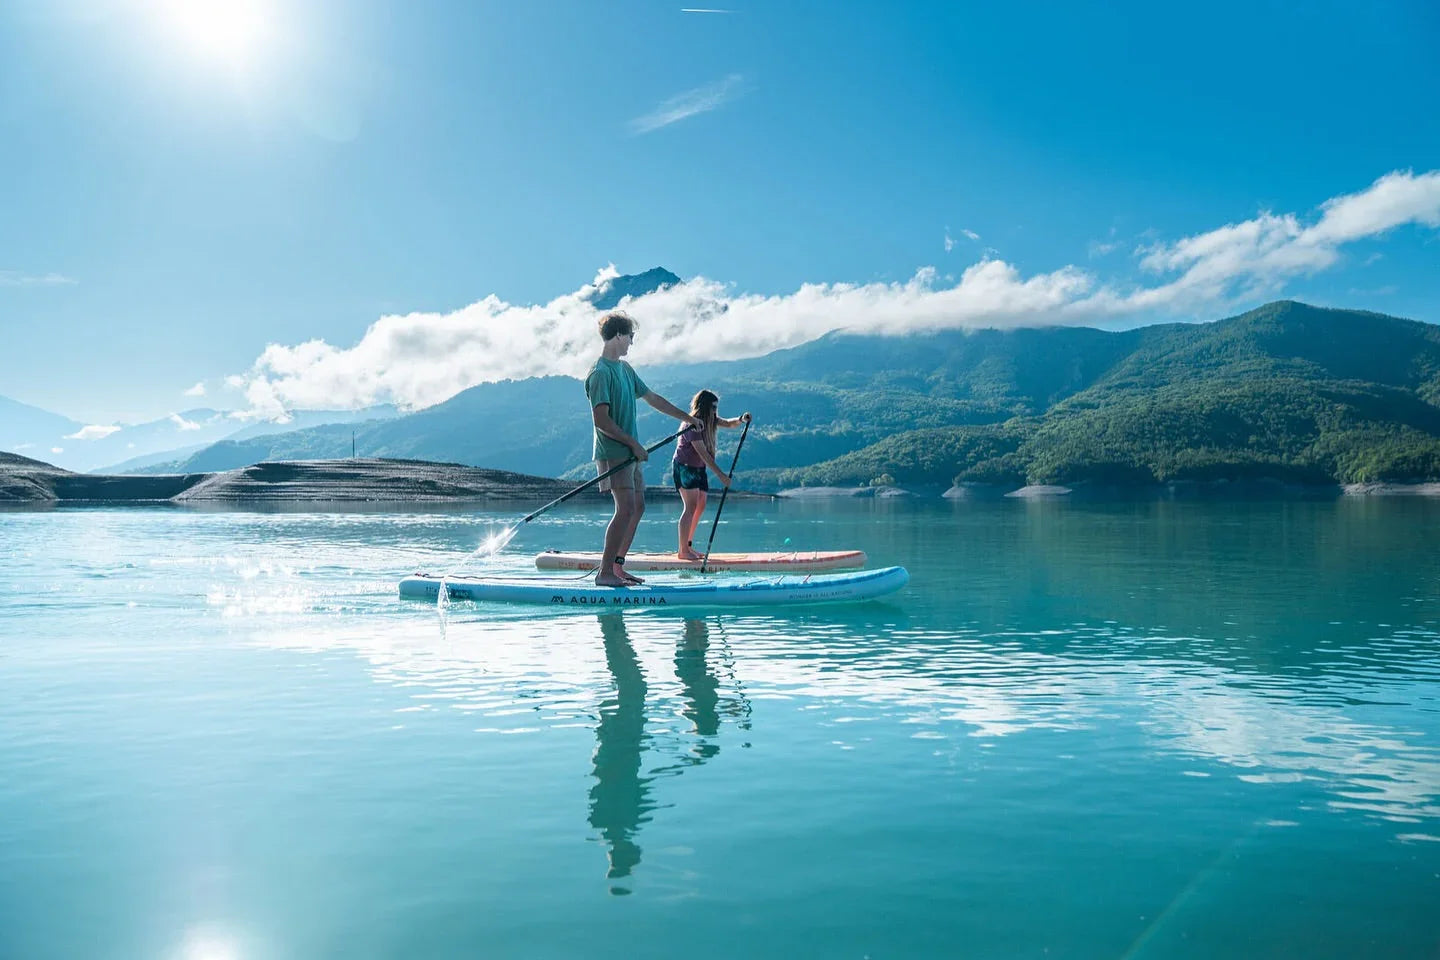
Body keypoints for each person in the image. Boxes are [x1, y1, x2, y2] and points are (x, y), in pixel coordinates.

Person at [585, 312, 700, 587]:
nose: (631, 344)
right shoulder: (600, 373)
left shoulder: (625, 370)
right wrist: (633, 444)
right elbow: (601, 420)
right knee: (625, 509)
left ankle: (617, 566)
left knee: (638, 507)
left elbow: (652, 398)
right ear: (619, 335)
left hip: (630, 453)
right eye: (631, 337)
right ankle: (604, 574)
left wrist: (687, 418)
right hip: (615, 452)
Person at [672, 390, 751, 560]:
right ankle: (682, 551)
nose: (716, 410)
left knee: (701, 505)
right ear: (705, 406)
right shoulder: (691, 424)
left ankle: (688, 545)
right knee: (691, 507)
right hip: (685, 467)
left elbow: (728, 423)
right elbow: (703, 454)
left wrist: (741, 419)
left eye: (717, 407)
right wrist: (721, 476)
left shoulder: (710, 420)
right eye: (713, 407)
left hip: (698, 469)